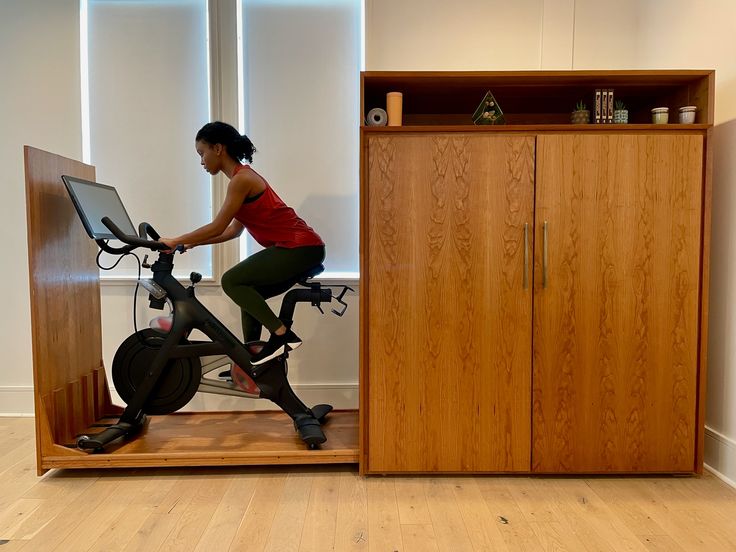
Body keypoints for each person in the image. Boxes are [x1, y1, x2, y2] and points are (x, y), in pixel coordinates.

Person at [159, 121, 325, 380]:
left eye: (202, 153)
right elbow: (231, 231)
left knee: (232, 281)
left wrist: (175, 239)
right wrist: (190, 243)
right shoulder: (243, 179)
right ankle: (253, 356)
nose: (201, 161)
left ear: (218, 148)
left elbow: (217, 225)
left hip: (301, 247)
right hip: (301, 248)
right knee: (247, 292)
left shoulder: (241, 180)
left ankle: (282, 336)